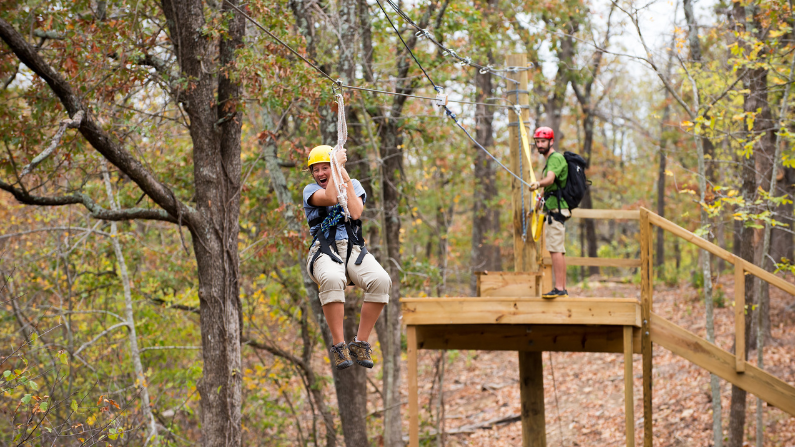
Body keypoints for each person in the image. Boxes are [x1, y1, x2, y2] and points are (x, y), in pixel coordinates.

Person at [303, 145, 391, 370]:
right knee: (332, 279)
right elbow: (331, 196)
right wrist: (335, 165)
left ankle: (360, 343)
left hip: (353, 249)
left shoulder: (354, 185)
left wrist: (343, 174)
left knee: (381, 280)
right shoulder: (310, 191)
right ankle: (339, 346)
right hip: (325, 250)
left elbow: (355, 212)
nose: (321, 173)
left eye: (325, 168)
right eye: (317, 170)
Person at [529, 127, 570, 299]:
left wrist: (538, 184)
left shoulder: (555, 158)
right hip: (551, 208)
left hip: (557, 210)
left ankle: (560, 288)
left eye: (543, 141)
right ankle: (560, 288)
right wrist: (538, 204)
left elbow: (550, 179)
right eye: (537, 141)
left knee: (556, 249)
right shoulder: (550, 160)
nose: (540, 144)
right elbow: (550, 186)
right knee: (554, 248)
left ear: (551, 142)